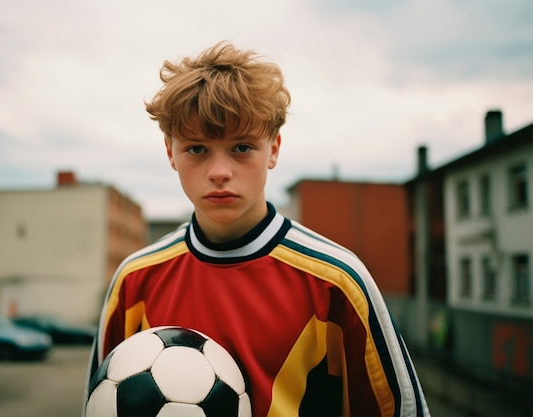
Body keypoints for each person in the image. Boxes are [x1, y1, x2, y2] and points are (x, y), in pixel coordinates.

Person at [85, 41, 430, 417]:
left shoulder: (337, 281)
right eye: (197, 149)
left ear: (275, 149)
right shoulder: (135, 280)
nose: (219, 172)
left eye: (242, 148)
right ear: (170, 152)